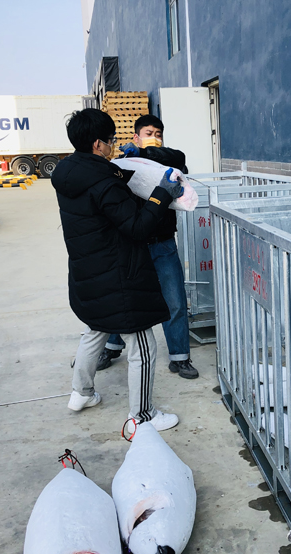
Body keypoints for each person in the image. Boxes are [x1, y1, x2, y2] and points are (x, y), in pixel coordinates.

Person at [52, 108, 184, 431]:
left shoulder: (69, 173)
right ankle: (142, 416)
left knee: (95, 329)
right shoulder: (104, 183)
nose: (113, 145)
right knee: (144, 345)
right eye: (110, 140)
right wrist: (161, 194)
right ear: (97, 144)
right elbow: (137, 226)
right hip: (118, 275)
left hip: (87, 272)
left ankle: (81, 393)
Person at [96, 115, 199, 380]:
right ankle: (111, 347)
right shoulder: (124, 165)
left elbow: (180, 158)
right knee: (123, 298)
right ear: (135, 137)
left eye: (158, 134)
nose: (154, 137)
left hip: (163, 243)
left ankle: (180, 357)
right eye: (148, 133)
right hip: (132, 245)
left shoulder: (170, 162)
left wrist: (145, 152)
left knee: (174, 301)